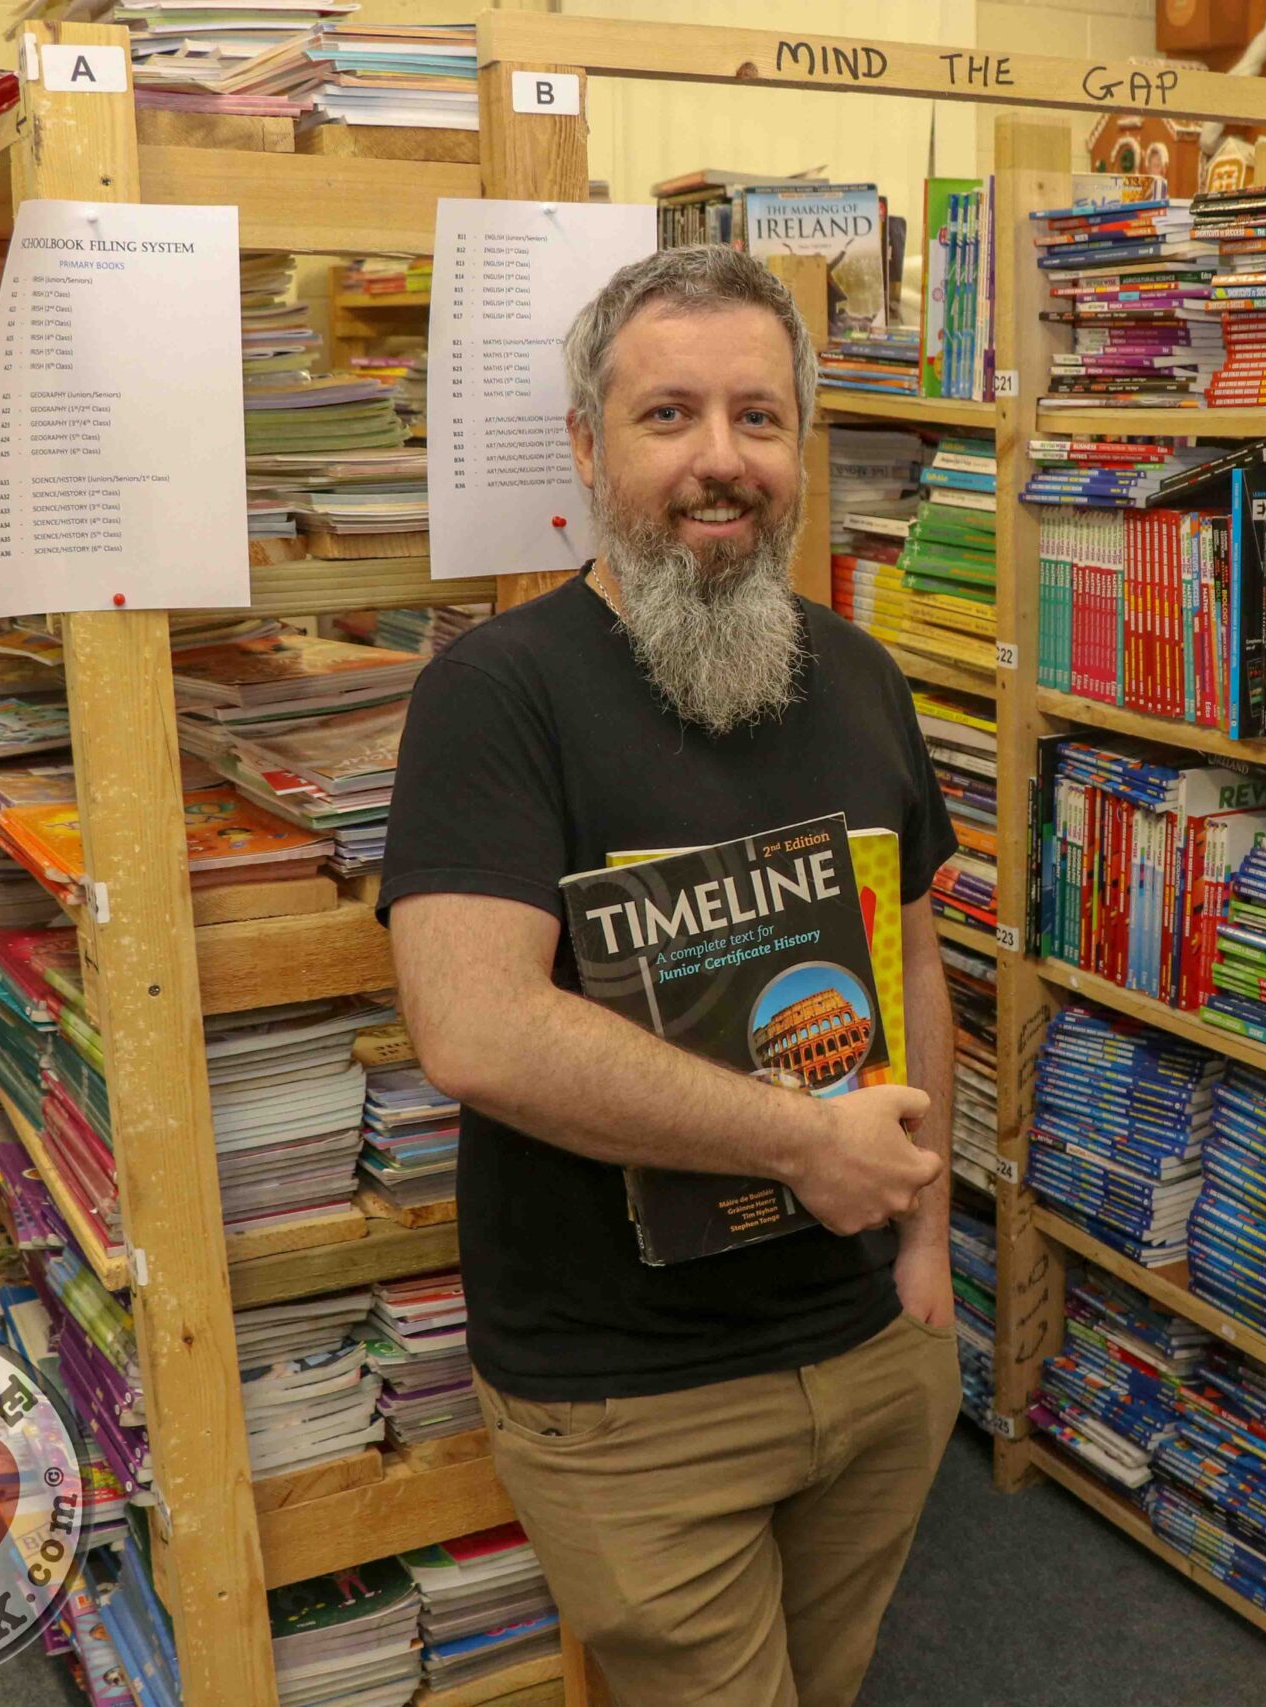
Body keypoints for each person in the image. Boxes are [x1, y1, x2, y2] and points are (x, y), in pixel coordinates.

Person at [381, 245, 963, 1707]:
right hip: (630, 1397)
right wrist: (803, 1141)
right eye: (671, 416)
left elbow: (910, 953)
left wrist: (925, 1235)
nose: (723, 460)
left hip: (871, 1342)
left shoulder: (859, 670)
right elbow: (475, 1027)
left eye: (760, 418)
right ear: (589, 445)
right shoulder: (496, 692)